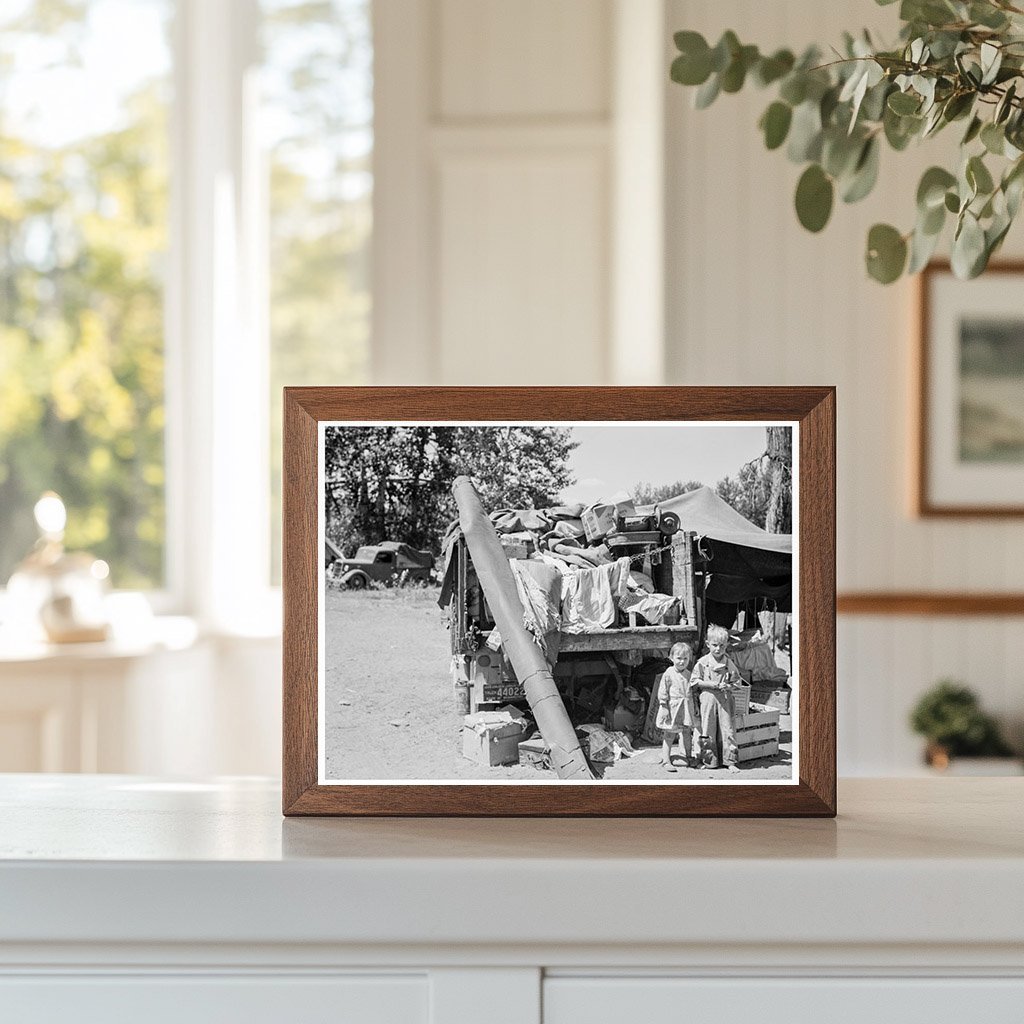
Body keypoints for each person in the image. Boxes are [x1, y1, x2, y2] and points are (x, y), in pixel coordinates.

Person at [691, 625, 742, 773]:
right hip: (708, 699)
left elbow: (737, 682)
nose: (718, 649)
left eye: (722, 646)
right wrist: (711, 684)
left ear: (726, 645)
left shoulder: (728, 663)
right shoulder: (703, 662)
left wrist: (729, 686)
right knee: (707, 729)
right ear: (708, 644)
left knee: (728, 729)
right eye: (714, 645)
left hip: (725, 699)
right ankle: (709, 761)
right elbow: (694, 681)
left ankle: (730, 761)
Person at [656, 642, 698, 772]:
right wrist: (664, 706)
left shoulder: (689, 674)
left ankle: (689, 756)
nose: (682, 662)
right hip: (673, 709)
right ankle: (666, 760)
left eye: (685, 658)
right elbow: (663, 691)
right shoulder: (668, 673)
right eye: (679, 658)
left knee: (687, 733)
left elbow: (692, 692)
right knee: (669, 734)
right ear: (671, 657)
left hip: (686, 709)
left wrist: (695, 707)